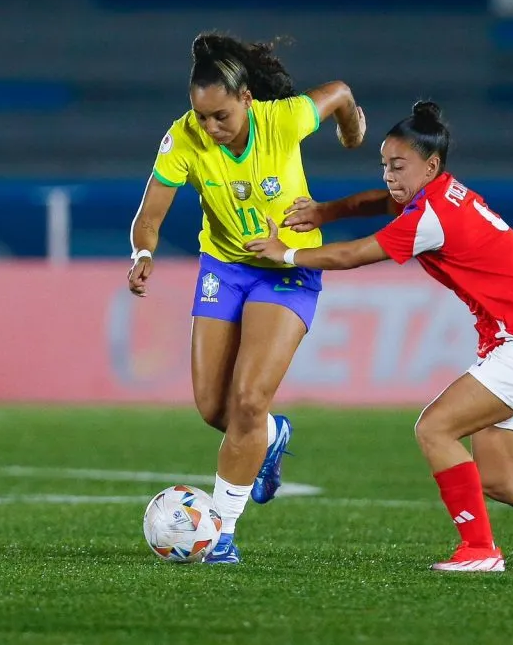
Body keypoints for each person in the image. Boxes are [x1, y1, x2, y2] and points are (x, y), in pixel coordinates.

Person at [250, 100, 513, 573]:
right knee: (502, 480)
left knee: (434, 428)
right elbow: (380, 202)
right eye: (384, 166)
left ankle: (481, 551)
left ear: (431, 165)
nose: (389, 176)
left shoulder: (431, 216)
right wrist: (326, 211)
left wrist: (286, 254)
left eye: (398, 166)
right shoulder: (439, 194)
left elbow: (354, 255)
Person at [127, 32, 365, 564]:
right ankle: (272, 435)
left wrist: (352, 132)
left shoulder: (284, 120)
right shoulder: (183, 138)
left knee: (248, 400)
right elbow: (150, 216)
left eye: (221, 117)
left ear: (246, 100)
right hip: (226, 268)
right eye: (201, 117)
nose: (210, 129)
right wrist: (142, 256)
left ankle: (222, 533)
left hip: (286, 269)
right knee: (215, 406)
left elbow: (342, 93)